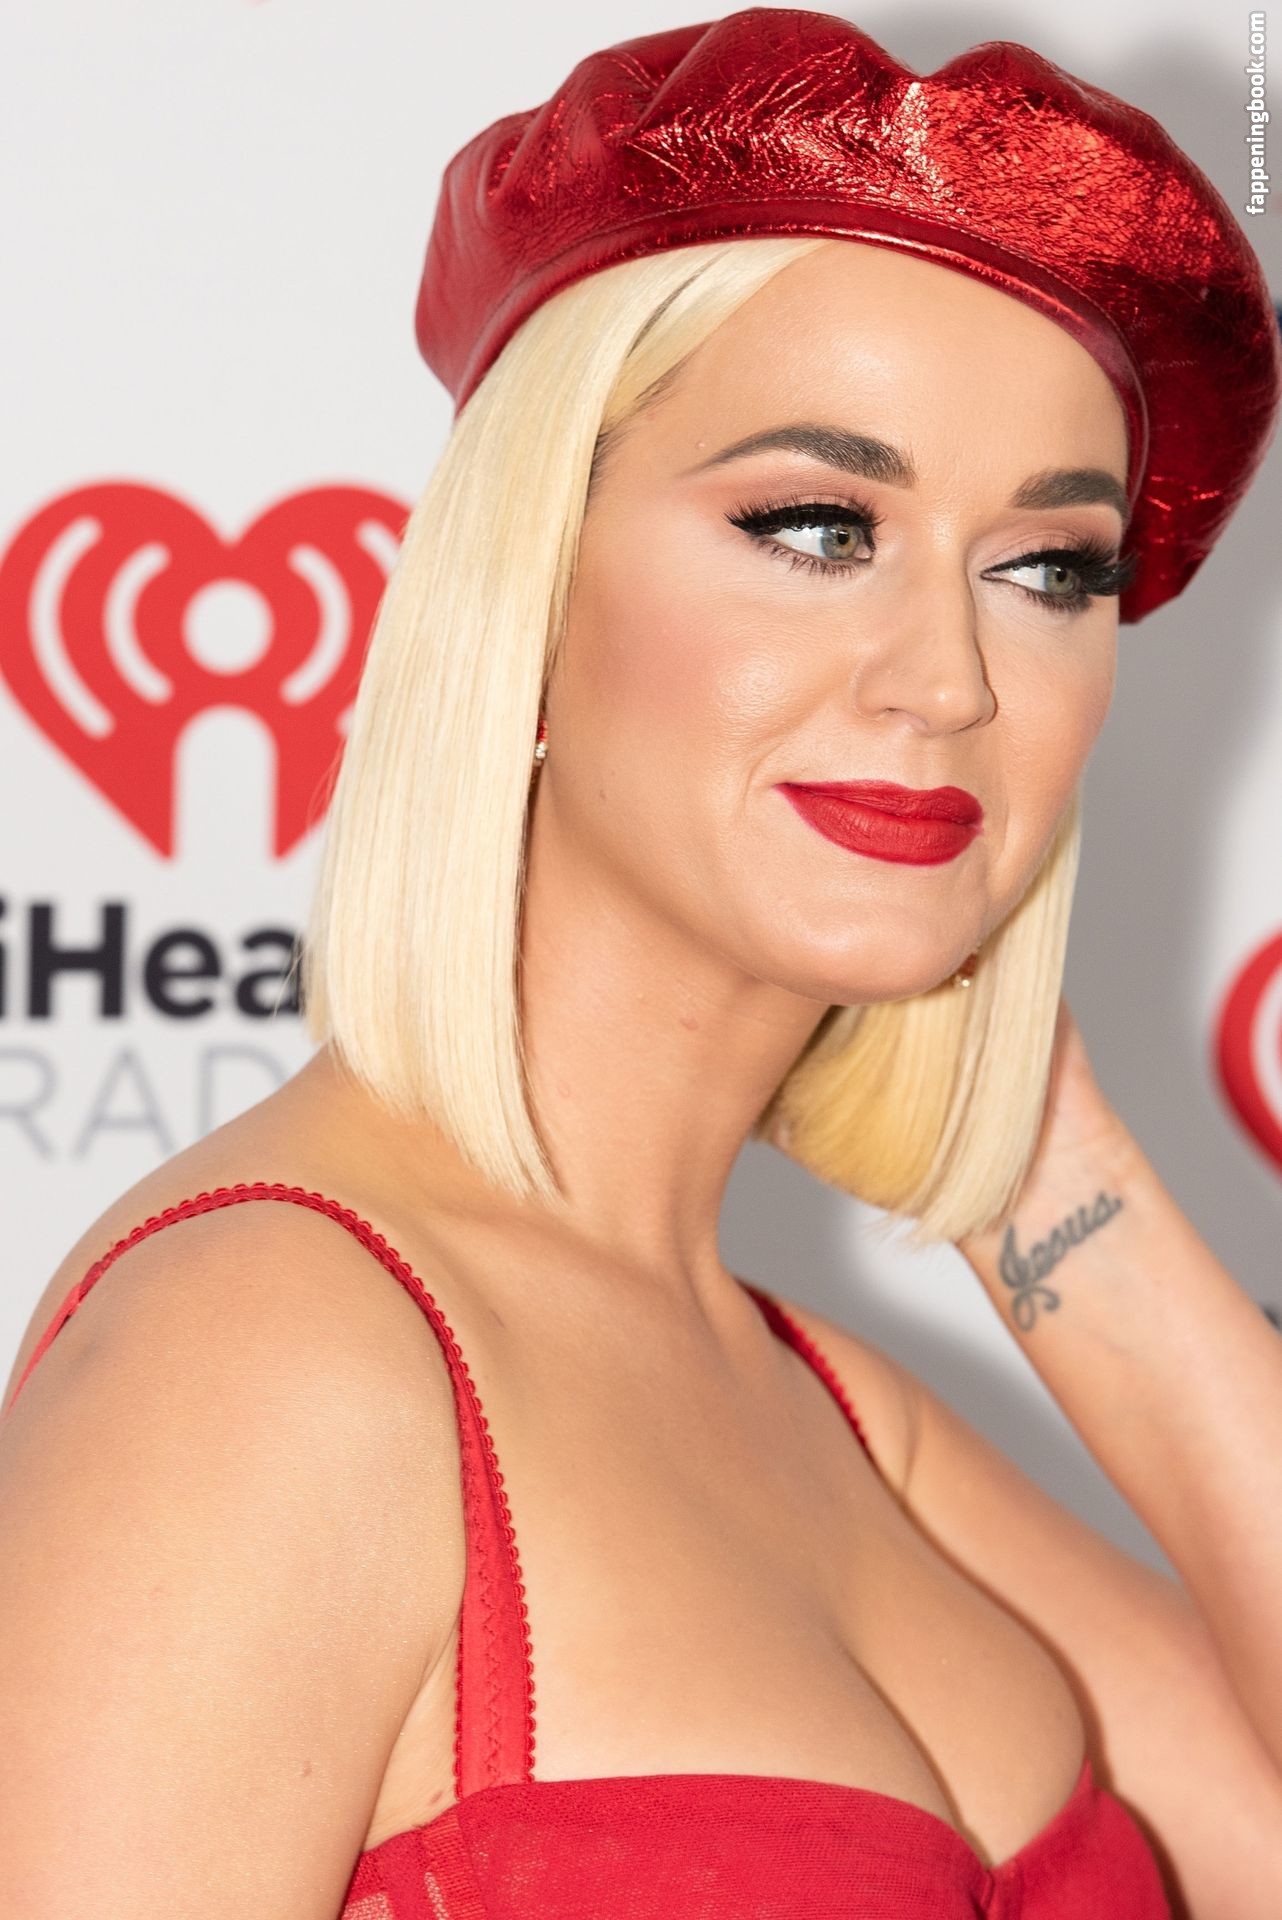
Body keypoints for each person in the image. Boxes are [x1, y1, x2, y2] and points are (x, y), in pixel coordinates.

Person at [3, 11, 1281, 1917]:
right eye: (816, 526)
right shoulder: (271, 1357)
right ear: (525, 590)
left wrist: (1042, 1170)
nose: (949, 679)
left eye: (1045, 568)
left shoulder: (833, 1414)